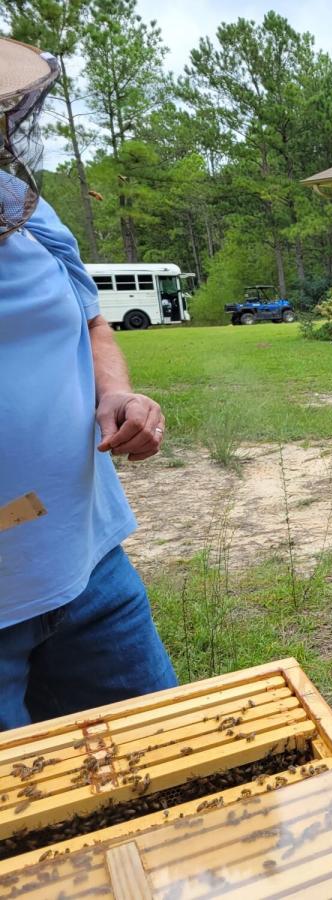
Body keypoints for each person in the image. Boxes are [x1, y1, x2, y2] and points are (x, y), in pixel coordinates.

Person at [0, 38, 175, 730]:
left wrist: (117, 396)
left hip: (91, 569)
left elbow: (93, 323)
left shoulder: (23, 205)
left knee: (161, 777)